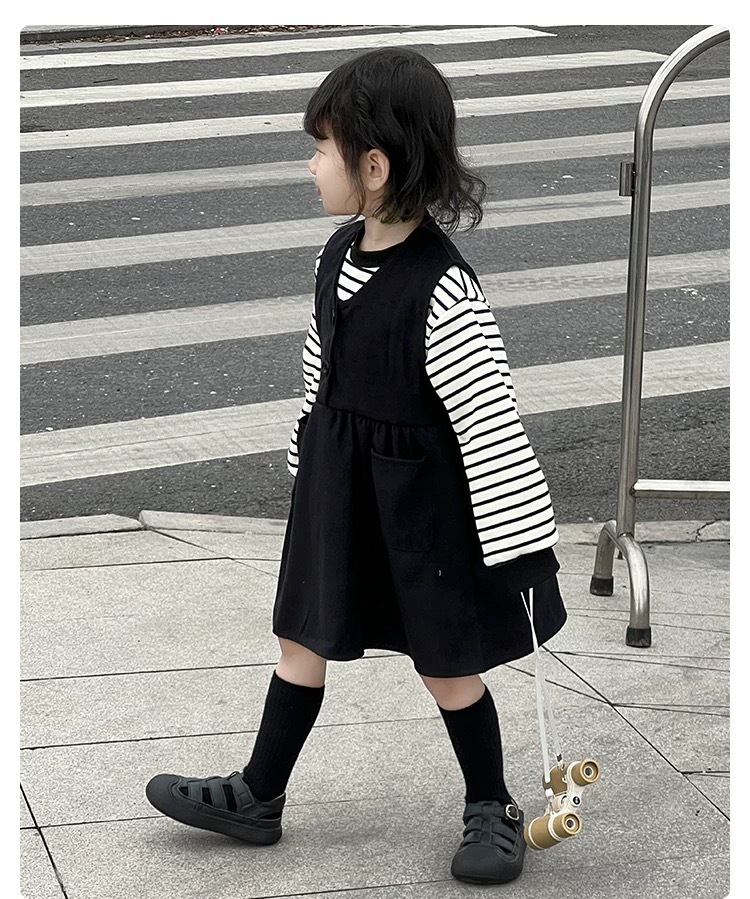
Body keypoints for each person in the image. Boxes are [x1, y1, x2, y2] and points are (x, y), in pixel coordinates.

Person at [146, 47, 567, 886]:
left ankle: (492, 803)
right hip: (340, 490)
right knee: (301, 636)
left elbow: (490, 425)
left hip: (422, 511)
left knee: (446, 662)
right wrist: (306, 464)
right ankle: (259, 793)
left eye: (321, 149)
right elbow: (321, 371)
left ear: (373, 167)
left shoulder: (444, 290)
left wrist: (519, 544)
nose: (310, 165)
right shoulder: (336, 254)